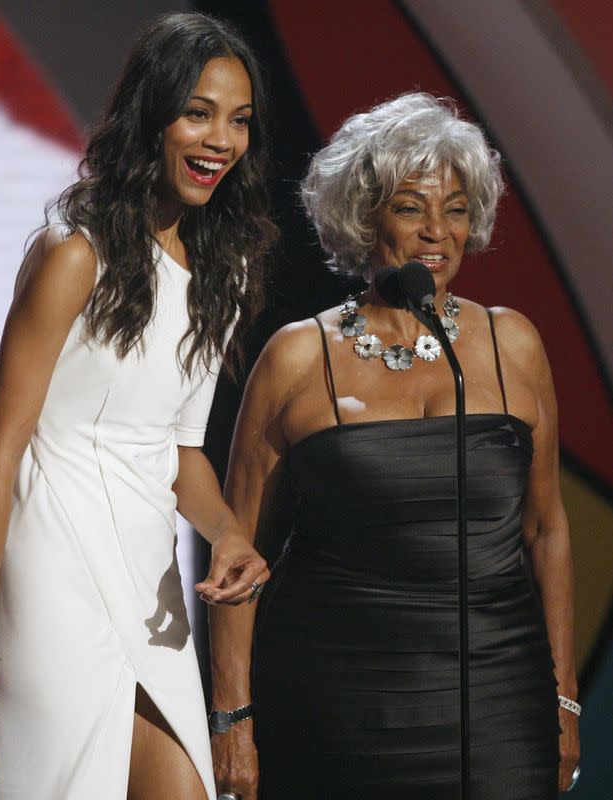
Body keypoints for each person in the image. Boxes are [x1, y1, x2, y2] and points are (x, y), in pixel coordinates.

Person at [0, 12, 277, 800]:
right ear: (150, 114)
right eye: (197, 112)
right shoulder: (73, 253)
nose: (220, 139)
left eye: (238, 120)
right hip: (51, 554)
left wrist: (227, 532)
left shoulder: (219, 272)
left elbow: (177, 451)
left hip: (149, 571)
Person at [208, 93, 580, 799]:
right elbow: (236, 557)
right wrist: (232, 718)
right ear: (362, 213)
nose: (436, 232)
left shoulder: (513, 344)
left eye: (456, 208)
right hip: (336, 704)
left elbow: (546, 527)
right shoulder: (296, 357)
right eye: (410, 207)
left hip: (498, 700)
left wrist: (562, 698)